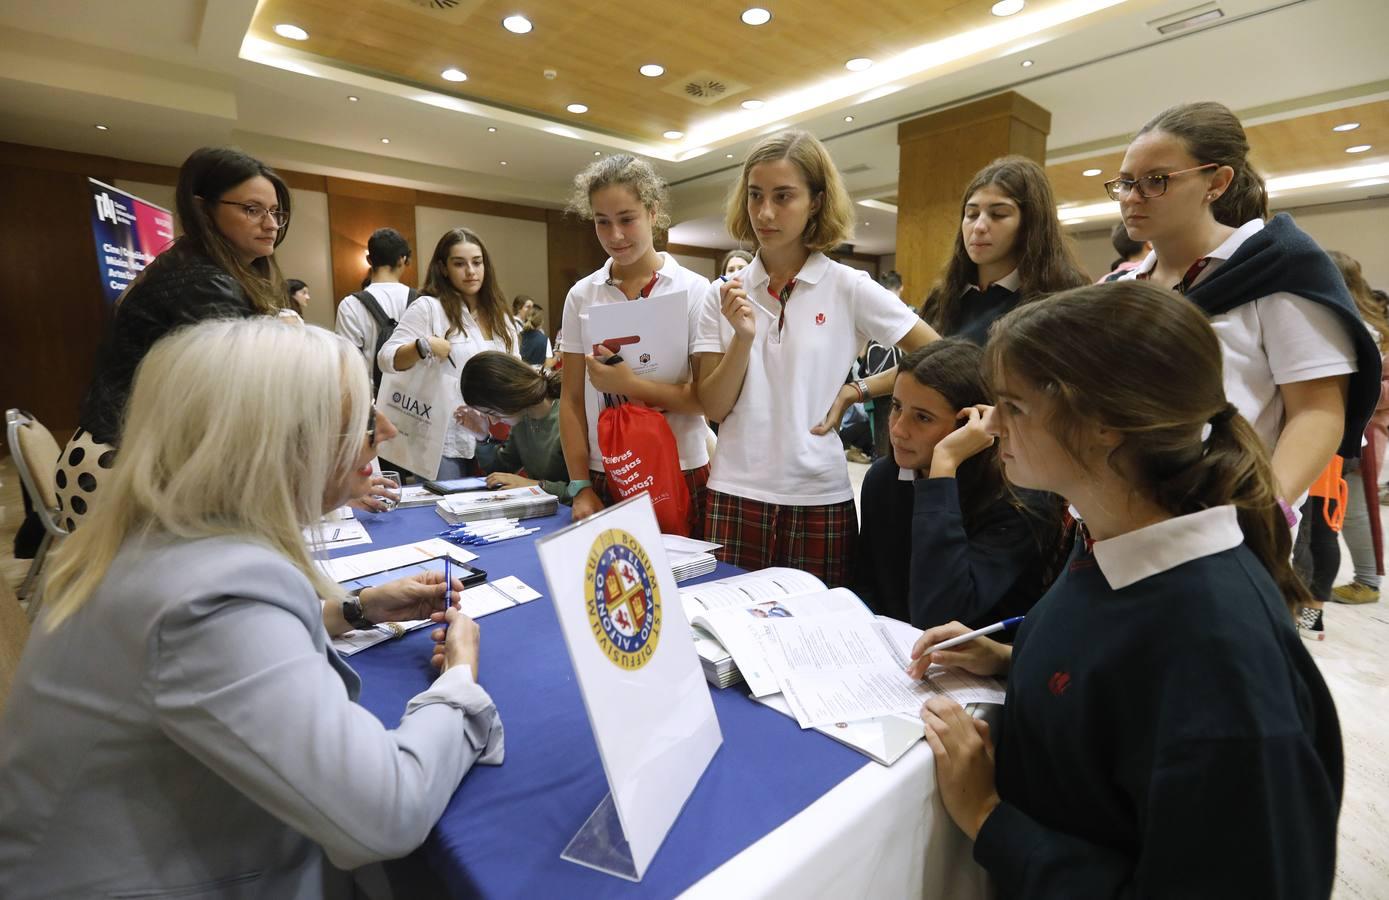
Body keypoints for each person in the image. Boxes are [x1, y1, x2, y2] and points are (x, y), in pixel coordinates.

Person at [0, 319, 502, 899]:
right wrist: (459, 686)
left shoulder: (161, 541)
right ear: (277, 441)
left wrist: (357, 609)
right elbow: (387, 812)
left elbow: (203, 663)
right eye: (362, 423)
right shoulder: (211, 598)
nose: (385, 431)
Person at [911, 281, 1341, 899]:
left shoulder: (1220, 658)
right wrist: (1013, 659)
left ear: (1106, 422)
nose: (990, 425)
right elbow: (1118, 681)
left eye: (1013, 406)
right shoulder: (1112, 544)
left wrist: (987, 816)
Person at [1109, 100, 1381, 639]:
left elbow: (1319, 413)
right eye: (1125, 183)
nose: (1133, 198)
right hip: (1121, 516)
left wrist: (1261, 511)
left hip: (1228, 522)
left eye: (1156, 181)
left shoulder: (1276, 269)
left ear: (1217, 181)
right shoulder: (1124, 287)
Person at [697, 130, 938, 586]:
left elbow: (939, 354)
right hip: (735, 488)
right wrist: (743, 338)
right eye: (755, 196)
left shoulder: (848, 286)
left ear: (816, 201)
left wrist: (858, 389)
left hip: (817, 494)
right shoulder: (722, 296)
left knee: (816, 642)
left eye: (783, 196)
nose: (765, 212)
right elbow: (712, 407)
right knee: (727, 638)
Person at [56, 146, 292, 531]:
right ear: (203, 210)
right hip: (119, 465)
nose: (271, 224)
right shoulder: (203, 281)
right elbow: (238, 393)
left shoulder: (200, 267)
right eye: (252, 210)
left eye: (276, 212)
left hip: (129, 454)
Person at [558, 154, 722, 532]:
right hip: (609, 468)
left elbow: (703, 399)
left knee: (688, 585)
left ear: (653, 212)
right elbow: (571, 400)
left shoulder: (695, 290)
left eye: (627, 219)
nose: (615, 235)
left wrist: (628, 385)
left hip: (681, 465)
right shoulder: (581, 296)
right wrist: (580, 483)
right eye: (602, 222)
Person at [855, 339, 1061, 629]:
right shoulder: (883, 479)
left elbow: (941, 614)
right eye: (896, 407)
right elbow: (868, 584)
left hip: (977, 665)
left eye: (922, 418)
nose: (898, 429)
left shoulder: (1017, 499)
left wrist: (945, 463)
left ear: (970, 424)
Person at [379, 227, 519, 479]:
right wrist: (424, 346)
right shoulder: (429, 308)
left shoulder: (500, 315)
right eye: (459, 264)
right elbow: (386, 358)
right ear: (443, 268)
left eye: (477, 262)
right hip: (443, 438)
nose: (471, 271)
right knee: (445, 511)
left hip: (496, 437)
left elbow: (515, 369)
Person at [920, 156, 1088, 346]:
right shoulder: (940, 299)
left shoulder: (1061, 300)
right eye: (972, 214)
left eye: (998, 214)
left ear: (1030, 224)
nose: (979, 227)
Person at [1330, 250, 1389, 605]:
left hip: (1364, 432)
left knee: (1355, 508)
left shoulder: (1371, 327)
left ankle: (1367, 581)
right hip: (1350, 426)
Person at [460, 350, 567, 498]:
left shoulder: (567, 417)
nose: (494, 421)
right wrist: (482, 438)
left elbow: (586, 492)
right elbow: (500, 472)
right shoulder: (523, 420)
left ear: (509, 395)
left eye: (493, 413)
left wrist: (535, 486)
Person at [335, 227, 417, 389]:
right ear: (402, 259)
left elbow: (348, 366)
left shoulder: (350, 305)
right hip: (416, 402)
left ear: (369, 260)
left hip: (373, 400)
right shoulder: (421, 301)